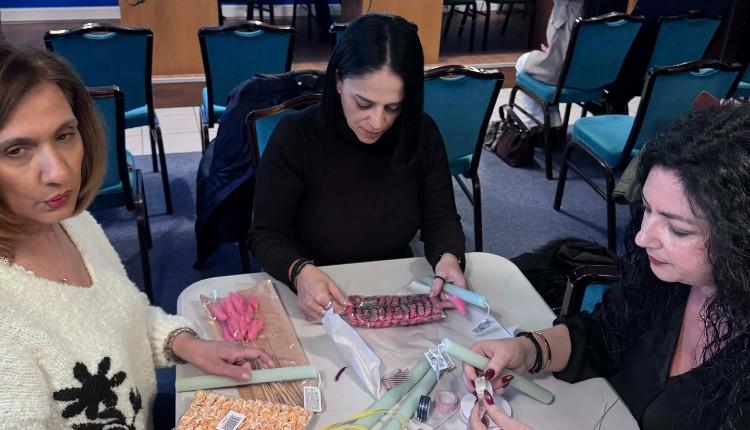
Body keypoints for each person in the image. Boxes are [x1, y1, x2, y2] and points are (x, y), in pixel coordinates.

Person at [0, 45, 275, 428]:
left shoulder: (73, 222)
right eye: (16, 150)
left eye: (64, 135)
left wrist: (185, 343)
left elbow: (123, 312)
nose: (59, 172)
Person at [463, 104, 750, 429]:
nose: (642, 237)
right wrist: (528, 350)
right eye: (647, 209)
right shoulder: (666, 280)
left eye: (678, 230)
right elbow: (604, 335)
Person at [249, 13, 467, 320]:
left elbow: (441, 220)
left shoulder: (421, 133)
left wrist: (449, 258)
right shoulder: (297, 136)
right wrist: (298, 271)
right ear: (338, 80)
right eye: (363, 104)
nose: (378, 122)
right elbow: (265, 234)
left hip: (394, 283)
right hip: (316, 286)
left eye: (393, 107)